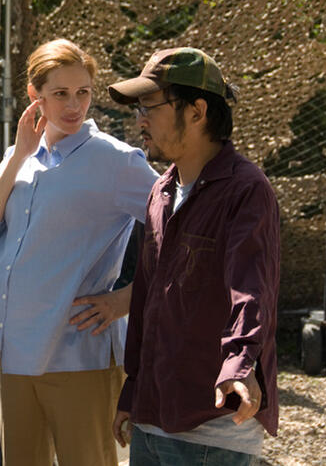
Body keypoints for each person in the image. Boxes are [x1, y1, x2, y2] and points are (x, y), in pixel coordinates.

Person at [0, 39, 158, 466]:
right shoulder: (19, 156)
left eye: (83, 92)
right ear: (35, 96)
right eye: (61, 93)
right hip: (15, 354)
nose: (74, 105)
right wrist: (18, 158)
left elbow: (189, 229)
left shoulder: (116, 161)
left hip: (78, 355)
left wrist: (126, 300)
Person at [107, 48, 280, 465]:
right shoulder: (160, 192)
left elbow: (252, 291)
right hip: (153, 415)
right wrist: (133, 390)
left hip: (214, 424)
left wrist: (239, 366)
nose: (140, 121)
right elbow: (146, 299)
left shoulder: (245, 190)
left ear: (198, 111)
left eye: (150, 106)